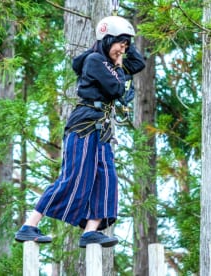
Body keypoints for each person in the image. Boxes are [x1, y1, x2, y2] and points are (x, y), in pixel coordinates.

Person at [14, 15, 145, 248]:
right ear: (107, 40)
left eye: (126, 46)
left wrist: (127, 43)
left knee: (106, 179)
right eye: (120, 44)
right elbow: (116, 88)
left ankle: (90, 231)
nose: (123, 51)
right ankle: (29, 226)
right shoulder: (95, 60)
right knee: (74, 177)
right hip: (84, 125)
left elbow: (138, 64)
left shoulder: (111, 61)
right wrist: (117, 63)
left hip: (101, 127)